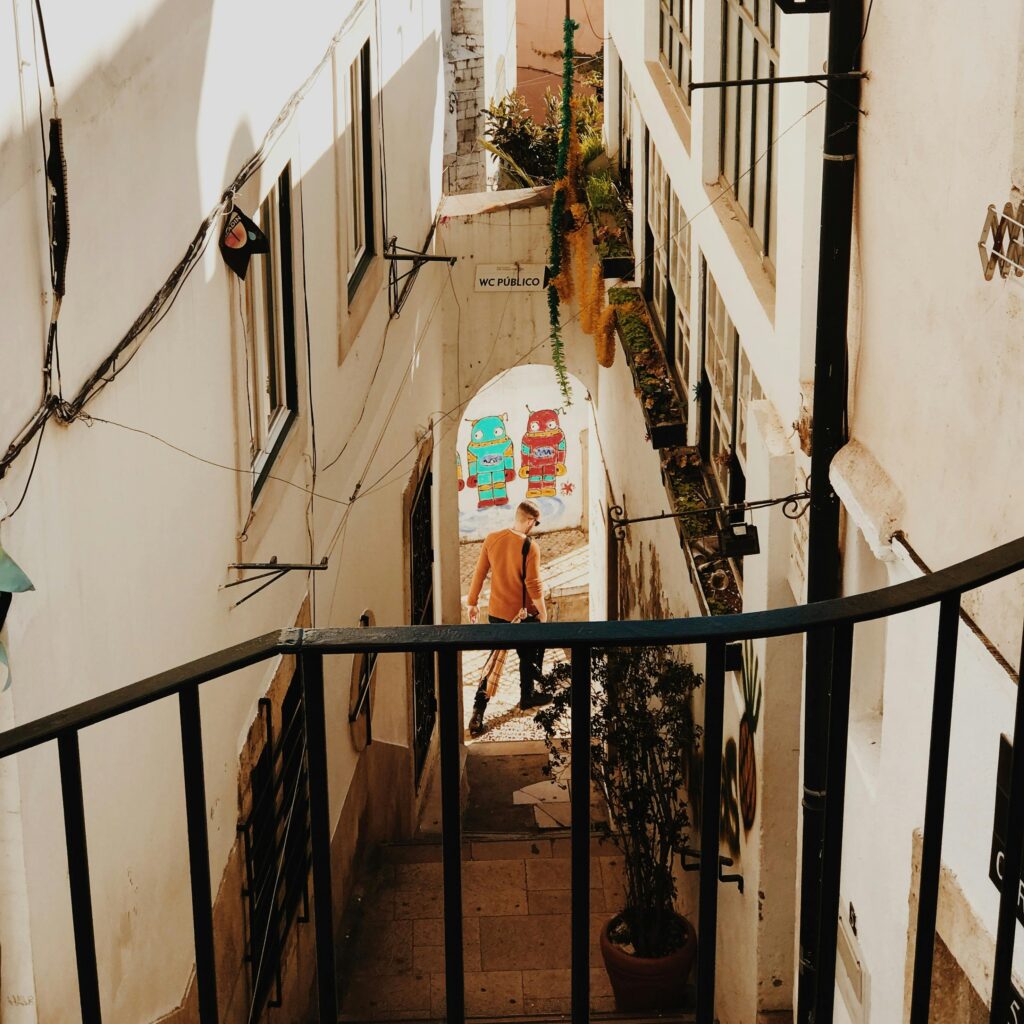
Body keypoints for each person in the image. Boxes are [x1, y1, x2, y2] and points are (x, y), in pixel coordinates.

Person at [466, 500, 551, 734]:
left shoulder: (492, 539)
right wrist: (542, 613)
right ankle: (528, 696)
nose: (535, 527)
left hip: (497, 615)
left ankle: (477, 713)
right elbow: (533, 584)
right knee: (528, 656)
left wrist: (472, 602)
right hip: (522, 617)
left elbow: (480, 572)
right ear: (529, 521)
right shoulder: (530, 547)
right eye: (535, 523)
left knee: (493, 664)